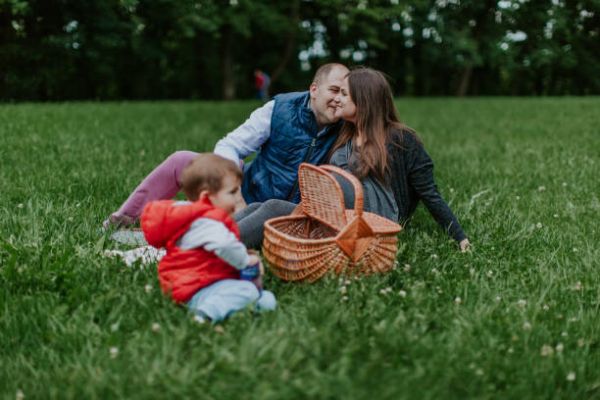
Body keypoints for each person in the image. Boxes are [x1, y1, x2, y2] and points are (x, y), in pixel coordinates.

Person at [231, 67, 471, 252]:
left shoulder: (400, 138)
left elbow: (429, 192)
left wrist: (460, 237)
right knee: (269, 206)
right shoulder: (344, 135)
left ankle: (217, 249)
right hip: (336, 212)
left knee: (287, 202)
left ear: (363, 101)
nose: (339, 99)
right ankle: (211, 236)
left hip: (375, 218)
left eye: (345, 94)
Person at [104, 63, 349, 229]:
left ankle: (188, 222)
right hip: (244, 192)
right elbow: (231, 145)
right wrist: (234, 192)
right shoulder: (280, 109)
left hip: (281, 215)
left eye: (345, 94)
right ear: (314, 89)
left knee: (198, 222)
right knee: (183, 160)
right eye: (334, 90)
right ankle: (124, 220)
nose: (339, 99)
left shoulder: (347, 127)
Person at [141, 153, 276, 323]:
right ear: (207, 196)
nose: (238, 198)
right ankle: (204, 314)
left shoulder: (205, 218)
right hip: (196, 287)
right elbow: (224, 245)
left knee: (266, 299)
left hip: (210, 280)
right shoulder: (206, 223)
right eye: (232, 192)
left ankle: (233, 312)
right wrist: (244, 260)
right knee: (247, 291)